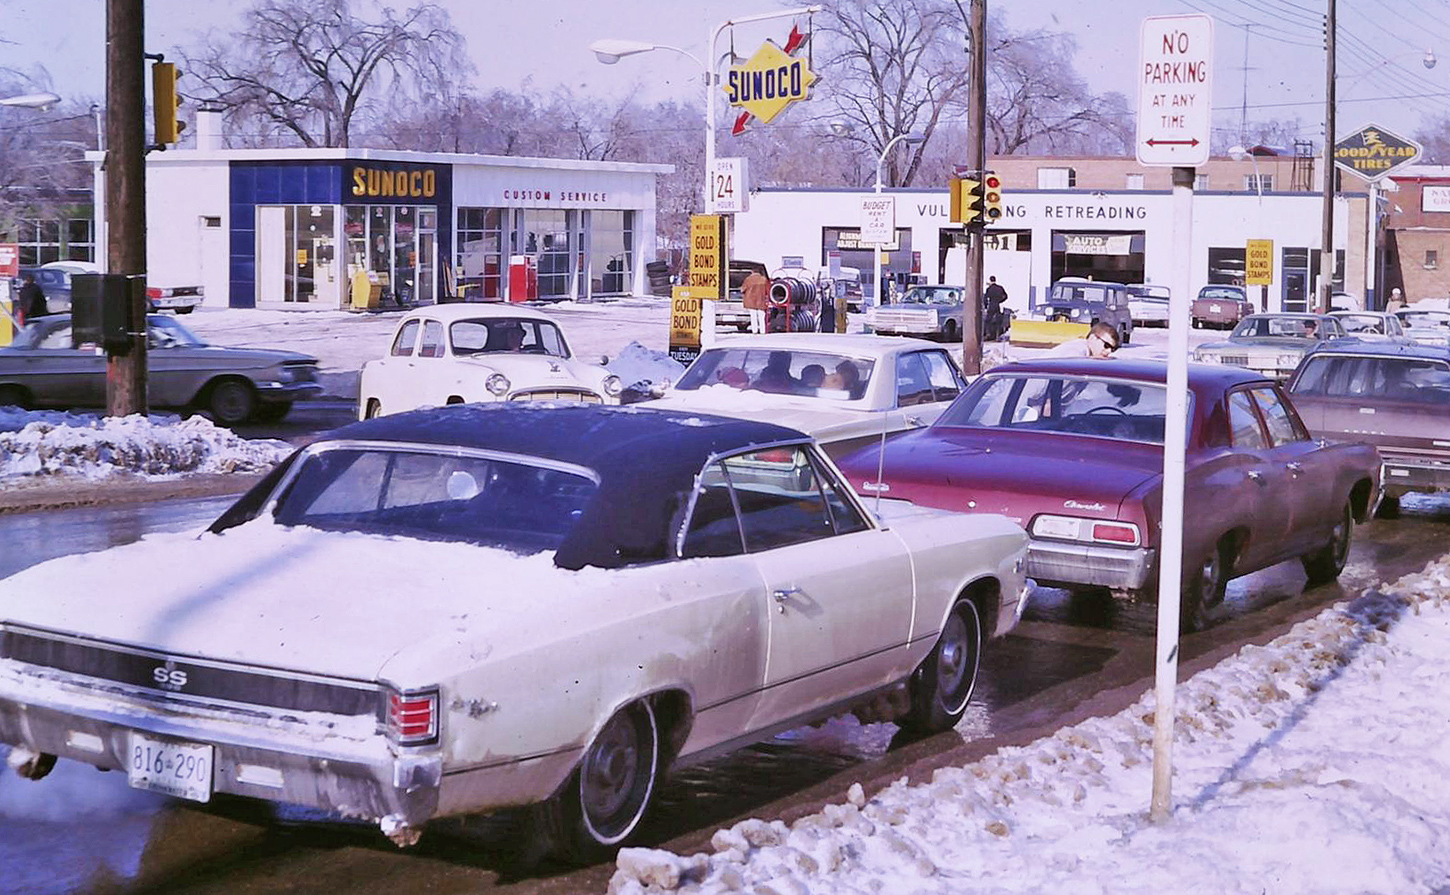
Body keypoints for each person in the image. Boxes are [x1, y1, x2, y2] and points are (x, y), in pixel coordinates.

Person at [1048, 321, 1119, 358]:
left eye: (1113, 349)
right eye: (1106, 345)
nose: (1109, 351)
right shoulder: (1076, 352)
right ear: (1092, 338)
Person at [740, 269, 770, 334]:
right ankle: (762, 331)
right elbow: (768, 290)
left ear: (752, 272)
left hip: (751, 300)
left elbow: (742, 289)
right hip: (761, 300)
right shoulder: (763, 279)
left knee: (753, 316)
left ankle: (754, 331)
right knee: (761, 316)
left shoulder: (748, 279)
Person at [984, 276, 1008, 341]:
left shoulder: (989, 289)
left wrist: (986, 306)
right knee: (998, 321)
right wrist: (1000, 301)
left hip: (991, 305)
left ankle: (988, 333)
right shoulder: (1000, 288)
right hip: (998, 305)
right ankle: (997, 336)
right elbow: (1006, 296)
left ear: (990, 280)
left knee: (988, 320)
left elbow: (985, 298)